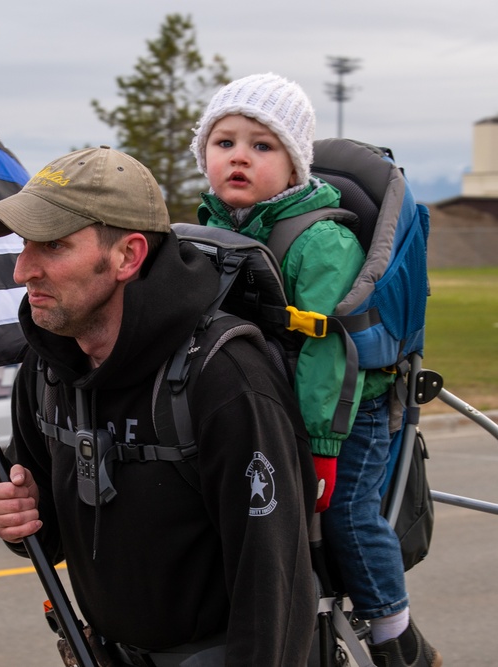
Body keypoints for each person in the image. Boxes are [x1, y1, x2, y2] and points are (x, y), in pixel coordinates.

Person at [0, 145, 317, 666]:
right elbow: (48, 538)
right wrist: (19, 519)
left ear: (127, 256)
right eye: (25, 245)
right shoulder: (47, 367)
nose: (23, 271)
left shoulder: (224, 378)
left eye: (52, 246)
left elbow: (275, 588)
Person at [189, 72, 441, 667]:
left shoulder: (320, 241)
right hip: (276, 398)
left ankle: (397, 635)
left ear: (295, 163)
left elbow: (332, 351)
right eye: (224, 143)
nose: (240, 157)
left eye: (262, 145)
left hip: (347, 407)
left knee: (347, 515)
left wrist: (323, 445)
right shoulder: (214, 228)